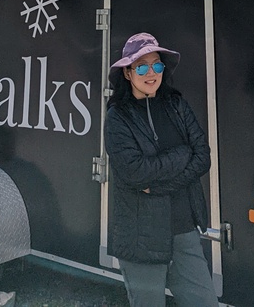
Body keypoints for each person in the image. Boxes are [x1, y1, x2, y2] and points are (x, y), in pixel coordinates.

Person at [104, 32, 220, 307]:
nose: (151, 73)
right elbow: (135, 172)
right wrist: (181, 155)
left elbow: (202, 158)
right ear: (128, 73)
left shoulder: (176, 105)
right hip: (140, 238)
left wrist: (157, 187)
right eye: (141, 67)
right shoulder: (118, 117)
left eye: (156, 65)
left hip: (184, 230)